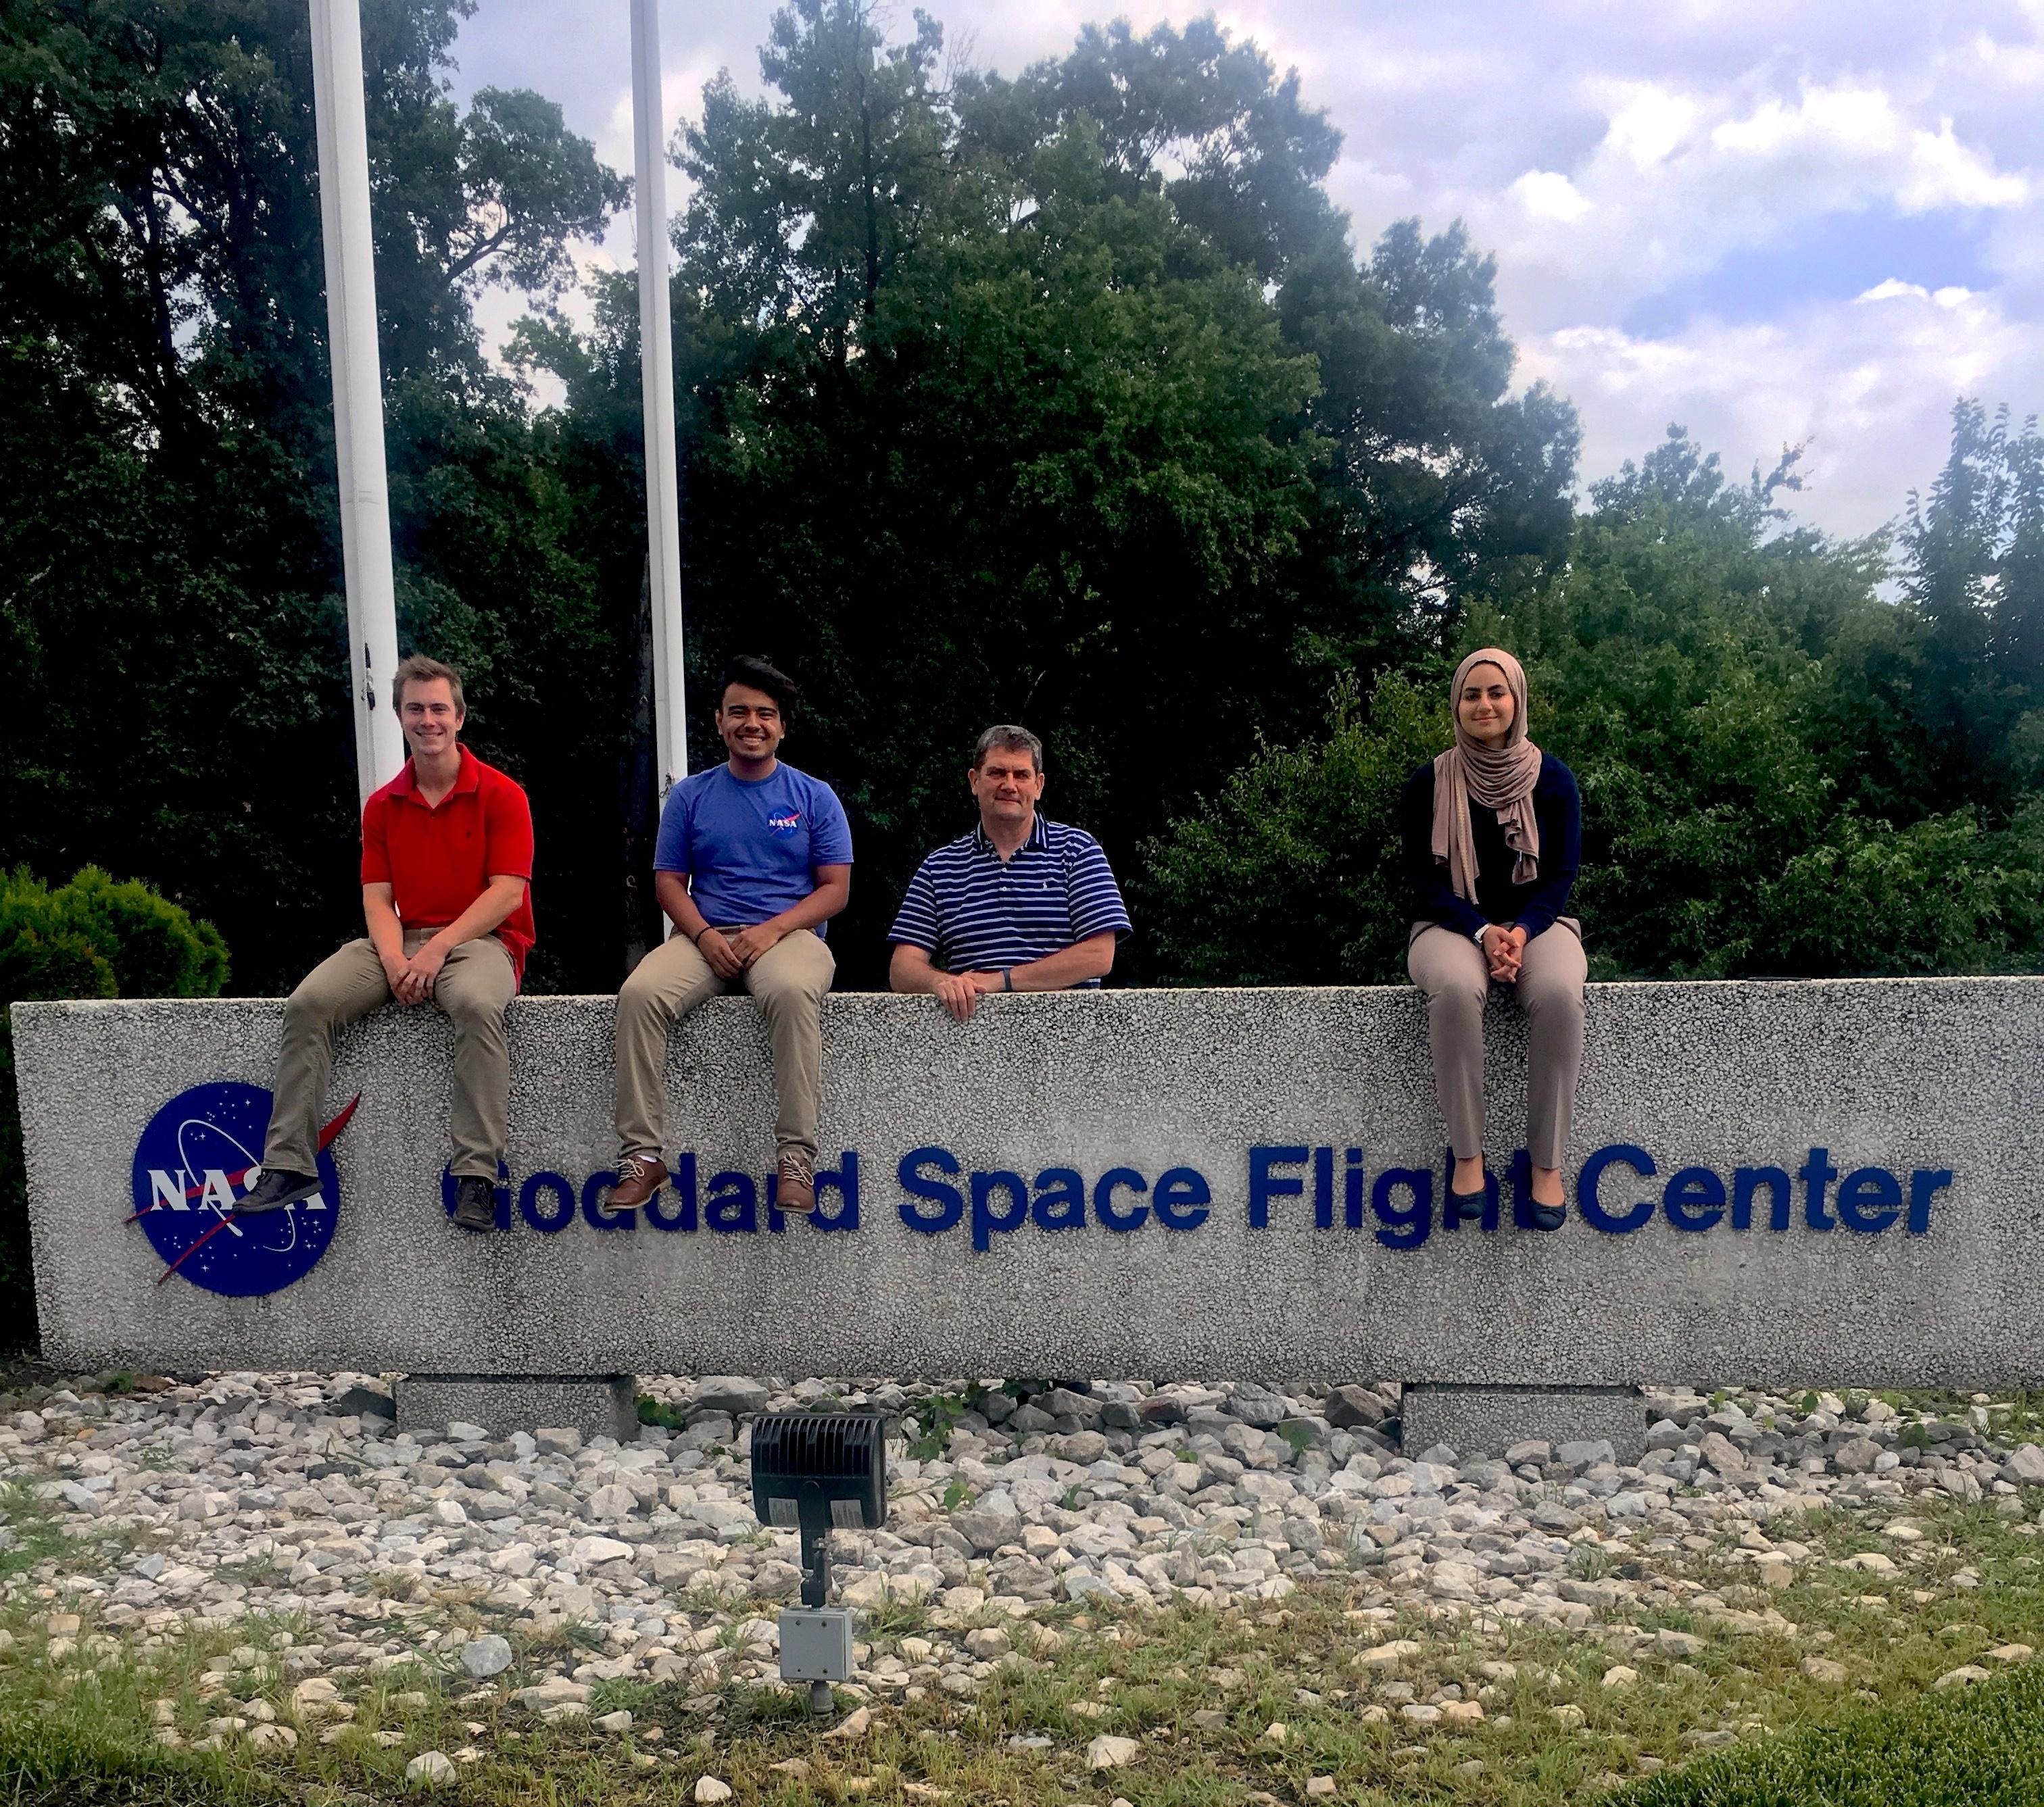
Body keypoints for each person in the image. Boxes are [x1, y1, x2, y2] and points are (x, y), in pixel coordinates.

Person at [235, 654, 536, 1233]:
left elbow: (506, 894)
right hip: (401, 938)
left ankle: (476, 1175)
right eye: (416, 709)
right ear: (400, 716)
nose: (428, 720)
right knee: (308, 1004)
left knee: (476, 1006)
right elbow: (378, 898)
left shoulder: (502, 795)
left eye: (439, 709)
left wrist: (436, 949)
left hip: (482, 940)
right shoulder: (382, 806)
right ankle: (290, 1165)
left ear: (460, 717)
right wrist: (397, 958)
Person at [605, 655, 852, 1216]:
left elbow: (834, 890)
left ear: (782, 726)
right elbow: (667, 881)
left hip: (789, 936)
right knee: (639, 996)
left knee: (791, 994)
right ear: (718, 721)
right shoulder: (691, 796)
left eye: (766, 714)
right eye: (738, 711)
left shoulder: (814, 797)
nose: (752, 723)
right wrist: (702, 933)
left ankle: (795, 1156)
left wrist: (772, 931)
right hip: (703, 936)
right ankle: (642, 1157)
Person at [1401, 647, 1584, 1231]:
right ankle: (1468, 1155)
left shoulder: (1554, 781)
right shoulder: (1428, 782)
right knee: (1455, 988)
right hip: (1450, 924)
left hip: (1540, 923)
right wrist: (1482, 931)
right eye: (1472, 694)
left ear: (1517, 699)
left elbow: (1558, 878)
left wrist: (1522, 932)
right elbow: (1421, 883)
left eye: (1496, 692)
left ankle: (1547, 1164)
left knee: (1558, 993)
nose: (1484, 704)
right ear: (1457, 704)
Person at [889, 724, 1130, 1019]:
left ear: (1039, 785)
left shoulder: (1078, 851)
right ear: (974, 781)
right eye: (997, 773)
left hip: (1071, 1035)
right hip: (971, 1039)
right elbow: (902, 968)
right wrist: (941, 982)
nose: (1009, 785)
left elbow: (1099, 956)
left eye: (1022, 775)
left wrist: (1002, 980)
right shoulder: (939, 868)